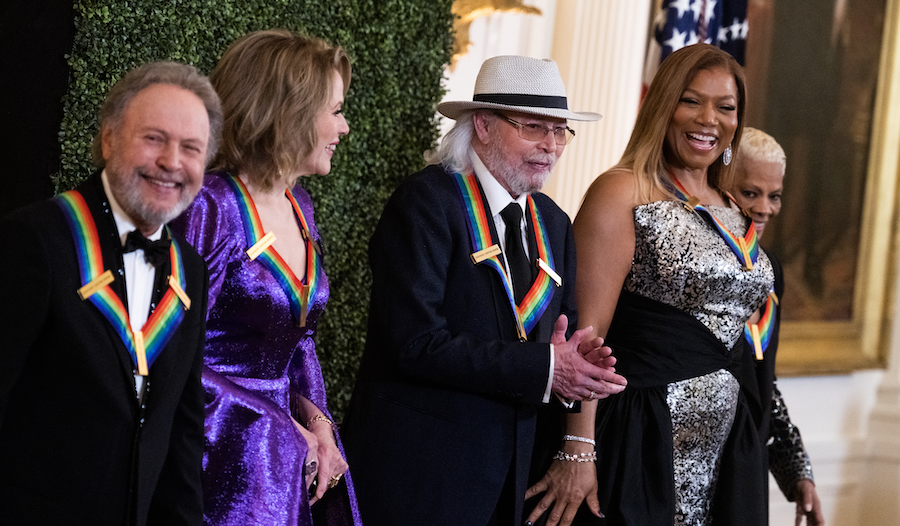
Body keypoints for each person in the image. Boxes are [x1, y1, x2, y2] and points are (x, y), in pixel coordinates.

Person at [341, 54, 628, 526]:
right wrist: (547, 367)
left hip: (511, 485)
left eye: (560, 131)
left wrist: (577, 369)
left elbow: (559, 337)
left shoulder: (553, 222)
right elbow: (414, 342)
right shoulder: (425, 202)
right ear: (483, 126)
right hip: (419, 481)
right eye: (534, 127)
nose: (551, 146)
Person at [0, 61, 222, 525]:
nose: (172, 161)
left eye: (190, 147)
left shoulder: (190, 269)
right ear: (109, 139)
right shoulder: (32, 242)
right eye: (154, 138)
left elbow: (182, 437)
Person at [537, 43, 774, 526]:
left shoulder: (731, 205)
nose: (708, 119)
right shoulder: (620, 190)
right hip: (639, 436)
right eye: (691, 101)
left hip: (727, 447)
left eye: (725, 107)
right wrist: (578, 446)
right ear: (663, 105)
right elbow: (585, 334)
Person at [169, 29, 361, 526]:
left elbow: (300, 342)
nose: (344, 128)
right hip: (212, 451)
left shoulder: (301, 205)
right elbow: (170, 353)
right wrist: (276, 425)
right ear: (290, 112)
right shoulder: (209, 207)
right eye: (336, 111)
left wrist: (319, 424)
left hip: (287, 454)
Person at [732, 127, 824, 526]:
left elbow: (762, 382)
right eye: (750, 193)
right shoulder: (695, 270)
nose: (765, 208)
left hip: (746, 466)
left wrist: (796, 468)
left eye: (775, 196)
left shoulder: (772, 273)